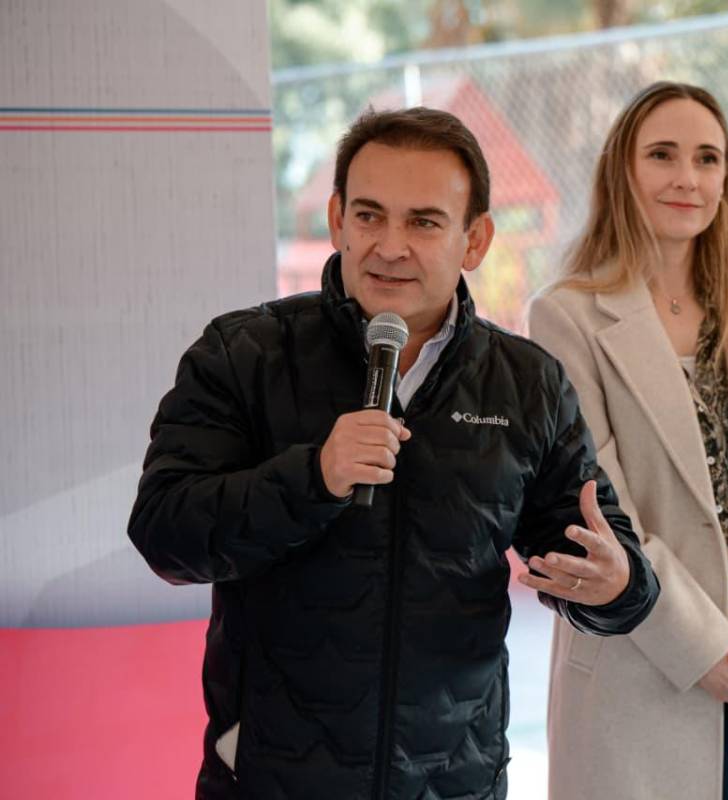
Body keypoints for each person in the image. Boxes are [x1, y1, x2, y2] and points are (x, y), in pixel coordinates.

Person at [127, 106, 659, 799]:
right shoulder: (244, 355)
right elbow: (166, 532)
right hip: (271, 780)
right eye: (370, 216)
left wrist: (619, 584)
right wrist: (313, 477)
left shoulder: (528, 383)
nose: (390, 245)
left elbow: (596, 550)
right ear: (337, 220)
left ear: (475, 240)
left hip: (453, 783)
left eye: (424, 222)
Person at [528, 81, 728, 800]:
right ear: (622, 171)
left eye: (707, 159)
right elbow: (602, 506)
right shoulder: (566, 315)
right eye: (662, 155)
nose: (686, 178)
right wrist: (704, 650)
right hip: (636, 678)